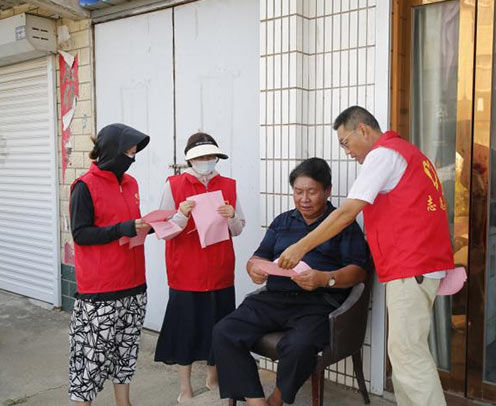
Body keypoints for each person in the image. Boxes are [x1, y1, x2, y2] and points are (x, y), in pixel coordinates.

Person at [278, 106, 455, 406]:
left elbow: (347, 212)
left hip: (411, 265)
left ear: (362, 130)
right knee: (404, 353)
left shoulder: (383, 155)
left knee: (408, 355)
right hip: (420, 264)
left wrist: (300, 247)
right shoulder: (411, 153)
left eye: (346, 142)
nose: (347, 152)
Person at [212, 158, 369, 406]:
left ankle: (277, 399)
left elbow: (359, 272)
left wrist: (323, 279)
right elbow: (258, 256)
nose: (304, 199)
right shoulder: (282, 222)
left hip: (317, 303)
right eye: (298, 192)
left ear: (327, 191)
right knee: (224, 332)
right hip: (274, 298)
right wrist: (253, 268)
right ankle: (256, 402)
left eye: (311, 192)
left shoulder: (342, 224)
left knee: (299, 346)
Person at [153, 132, 245, 403]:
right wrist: (181, 215)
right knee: (186, 331)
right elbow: (164, 231)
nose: (206, 161)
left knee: (219, 327)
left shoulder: (228, 185)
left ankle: (213, 377)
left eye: (210, 156)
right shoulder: (174, 185)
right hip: (186, 272)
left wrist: (231, 217)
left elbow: (238, 229)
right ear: (190, 160)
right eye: (201, 157)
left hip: (220, 270)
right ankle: (185, 386)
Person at [68, 123, 151, 406]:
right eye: (129, 152)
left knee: (126, 353)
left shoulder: (131, 183)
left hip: (135, 284)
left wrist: (149, 226)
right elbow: (81, 234)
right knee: (89, 360)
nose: (132, 158)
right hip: (100, 291)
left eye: (135, 152)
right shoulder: (84, 187)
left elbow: (131, 226)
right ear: (112, 150)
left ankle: (123, 403)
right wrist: (122, 228)